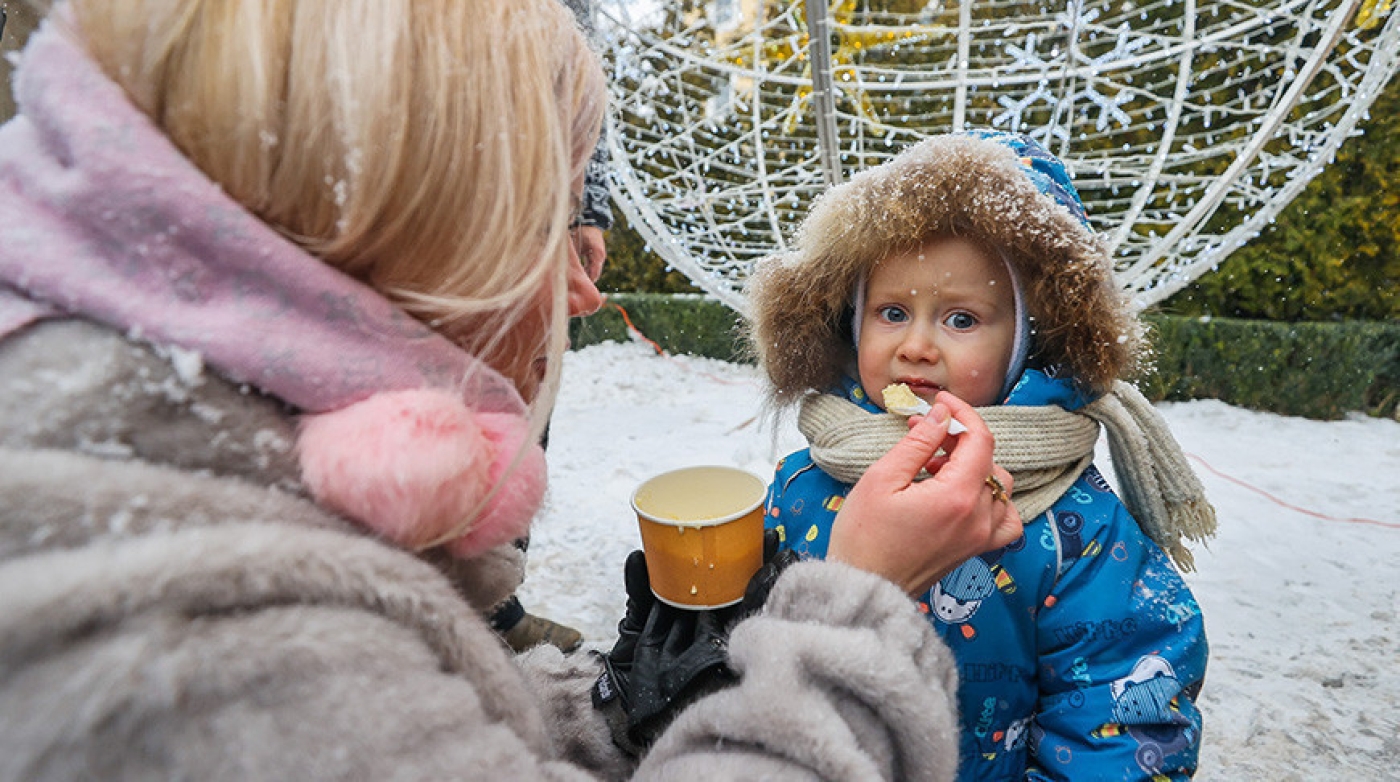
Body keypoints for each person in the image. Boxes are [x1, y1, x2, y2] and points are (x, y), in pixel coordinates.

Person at [0, 2, 1020, 779]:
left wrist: (614, 708)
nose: (580, 288)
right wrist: (861, 612)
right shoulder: (199, 639)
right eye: (539, 221)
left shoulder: (140, 465)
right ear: (412, 234)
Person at [747, 131, 1217, 781]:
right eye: (890, 311)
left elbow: (1122, 705)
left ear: (1027, 342)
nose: (915, 346)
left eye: (961, 319)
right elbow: (752, 639)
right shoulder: (803, 480)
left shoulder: (1073, 523)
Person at [487, 0, 620, 656]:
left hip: (538, 193)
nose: (587, 300)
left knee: (526, 404)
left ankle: (494, 599)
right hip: (473, 185)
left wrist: (578, 209)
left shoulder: (573, 33)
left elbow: (580, 86)